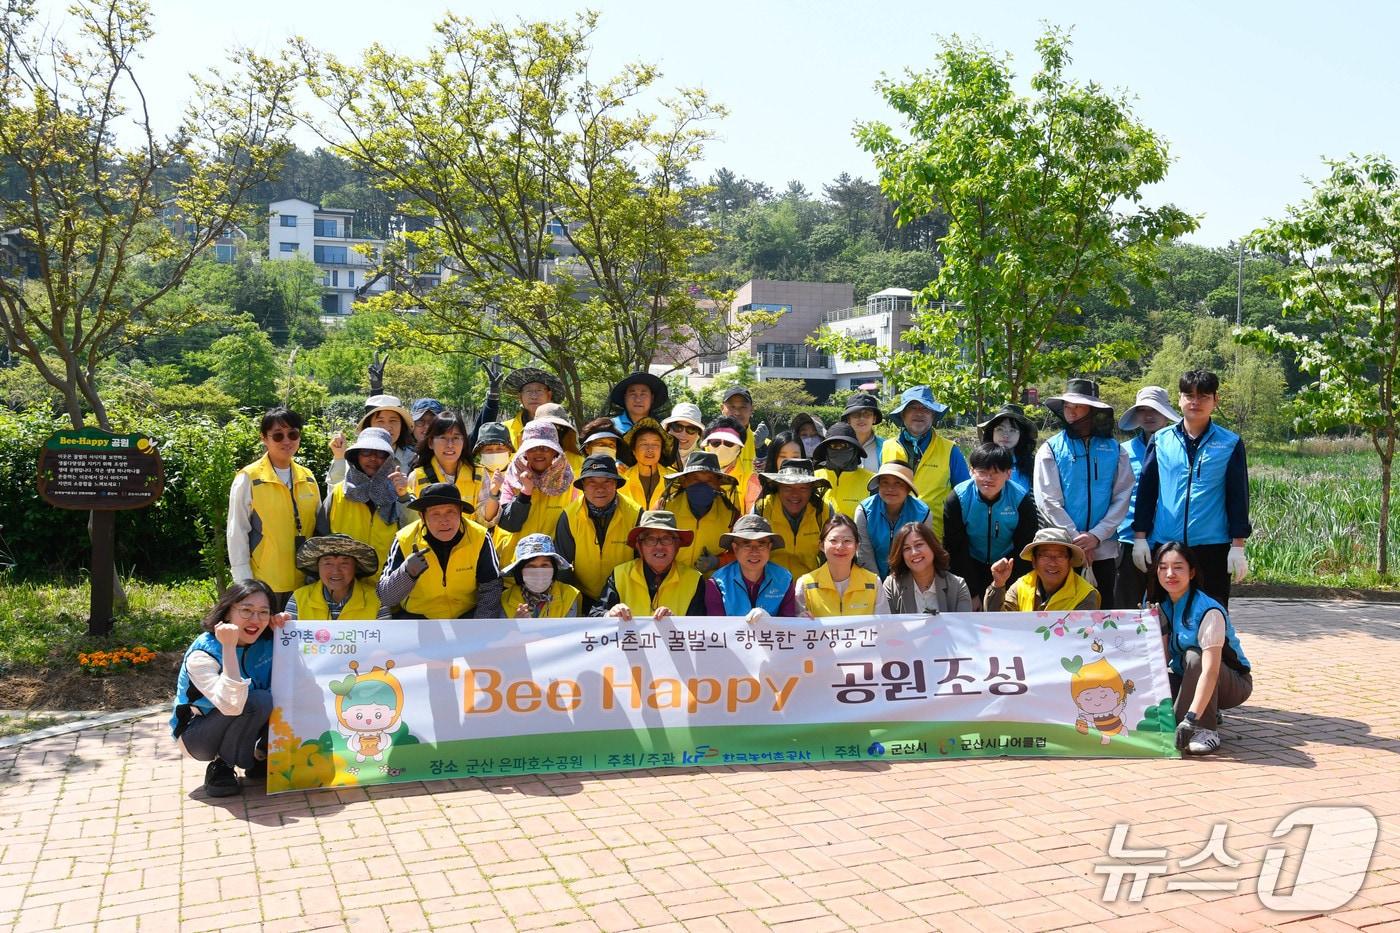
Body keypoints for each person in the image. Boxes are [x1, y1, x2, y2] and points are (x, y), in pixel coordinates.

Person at [1132, 370, 1252, 608]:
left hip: (1212, 546)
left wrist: (1238, 546)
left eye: (1204, 396)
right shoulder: (1161, 440)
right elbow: (1147, 491)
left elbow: (1238, 497)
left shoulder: (1229, 442)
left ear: (1215, 400)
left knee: (1212, 616)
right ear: (1179, 399)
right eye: (1189, 395)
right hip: (1167, 545)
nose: (1195, 402)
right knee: (1161, 618)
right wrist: (1140, 538)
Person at [170, 580, 277, 798]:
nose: (255, 620)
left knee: (271, 697)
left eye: (263, 612)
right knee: (258, 701)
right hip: (200, 736)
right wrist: (229, 646)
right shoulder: (203, 654)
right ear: (227, 612)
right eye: (246, 610)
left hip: (244, 723)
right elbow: (231, 705)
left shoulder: (268, 641)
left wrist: (287, 632)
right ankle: (222, 766)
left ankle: (260, 756)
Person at [1033, 378, 1134, 607]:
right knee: (1061, 614)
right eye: (1067, 406)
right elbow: (1047, 500)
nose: (1071, 412)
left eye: (1077, 406)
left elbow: (1122, 495)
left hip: (1104, 549)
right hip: (1062, 551)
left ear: (1092, 409)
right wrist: (1076, 539)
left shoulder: (1115, 450)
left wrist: (1097, 535)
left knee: (1103, 611)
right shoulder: (1050, 449)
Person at [1149, 541, 1253, 756]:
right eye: (1163, 567)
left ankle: (1206, 730)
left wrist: (1189, 718)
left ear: (1192, 572)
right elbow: (1160, 658)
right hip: (1184, 674)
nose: (1170, 573)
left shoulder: (1209, 610)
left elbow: (1210, 670)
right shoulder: (1162, 605)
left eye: (1178, 567)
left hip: (1230, 683)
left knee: (1194, 656)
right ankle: (1204, 711)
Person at [227, 407, 321, 609]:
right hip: (264, 583)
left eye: (293, 434)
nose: (287, 441)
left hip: (305, 582)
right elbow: (237, 531)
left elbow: (319, 526)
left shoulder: (308, 477)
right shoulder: (248, 477)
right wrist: (244, 581)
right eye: (278, 436)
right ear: (264, 438)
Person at [377, 483, 502, 619]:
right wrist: (407, 572)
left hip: (467, 616)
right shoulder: (404, 539)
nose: (444, 521)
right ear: (422, 516)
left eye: (450, 512)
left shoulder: (480, 537)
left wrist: (479, 629)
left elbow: (491, 589)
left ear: (460, 512)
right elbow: (386, 597)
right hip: (417, 618)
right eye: (435, 513)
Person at [944, 443, 1039, 610]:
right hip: (970, 563)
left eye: (996, 472)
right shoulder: (957, 499)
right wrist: (971, 592)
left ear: (1009, 473)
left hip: (1008, 563)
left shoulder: (1021, 499)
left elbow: (1025, 547)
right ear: (972, 471)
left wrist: (1010, 586)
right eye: (982, 472)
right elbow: (955, 547)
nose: (989, 478)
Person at [1115, 386, 1182, 610]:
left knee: (1164, 605)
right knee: (1126, 604)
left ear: (1166, 413)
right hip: (1128, 538)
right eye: (1143, 410)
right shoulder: (1123, 451)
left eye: (1155, 409)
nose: (1149, 415)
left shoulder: (1179, 448)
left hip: (1167, 538)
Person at [314, 427, 410, 570]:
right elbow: (320, 539)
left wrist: (403, 496)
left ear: (389, 459)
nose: (373, 458)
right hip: (346, 582)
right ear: (356, 456)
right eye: (366, 452)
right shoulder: (339, 492)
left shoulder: (400, 492)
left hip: (386, 584)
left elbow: (412, 533)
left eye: (381, 453)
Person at [555, 454, 640, 614]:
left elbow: (641, 561)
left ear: (615, 484)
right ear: (583, 486)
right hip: (583, 597)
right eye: (592, 481)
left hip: (626, 598)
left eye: (607, 481)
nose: (600, 488)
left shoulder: (635, 514)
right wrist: (572, 603)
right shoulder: (569, 516)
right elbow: (562, 566)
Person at [881, 386, 970, 538]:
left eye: (926, 408)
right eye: (913, 408)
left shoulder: (950, 450)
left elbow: (966, 497)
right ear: (903, 414)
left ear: (933, 415)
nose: (919, 413)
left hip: (935, 538)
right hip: (892, 538)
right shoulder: (886, 447)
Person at [592, 510, 707, 620]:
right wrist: (609, 615)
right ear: (639, 546)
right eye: (650, 539)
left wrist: (675, 623)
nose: (659, 546)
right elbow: (594, 615)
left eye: (666, 539)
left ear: (677, 545)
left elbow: (699, 628)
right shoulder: (620, 574)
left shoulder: (694, 580)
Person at [495, 420, 577, 566]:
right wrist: (525, 493)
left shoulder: (569, 481)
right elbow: (509, 524)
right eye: (532, 448)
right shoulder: (512, 477)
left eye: (545, 448)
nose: (538, 452)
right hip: (512, 564)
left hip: (551, 569)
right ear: (525, 452)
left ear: (554, 452)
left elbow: (575, 528)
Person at [704, 514, 798, 621]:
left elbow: (788, 624)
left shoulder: (784, 579)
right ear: (735, 548)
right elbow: (717, 628)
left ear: (769, 547)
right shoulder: (717, 583)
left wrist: (769, 621)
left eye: (761, 544)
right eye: (746, 544)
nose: (754, 551)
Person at [985, 527, 1101, 611]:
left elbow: (1079, 639)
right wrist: (998, 584)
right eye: (1045, 555)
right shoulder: (1021, 586)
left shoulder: (1086, 595)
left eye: (1060, 555)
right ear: (1034, 561)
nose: (1052, 562)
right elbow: (999, 624)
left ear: (1070, 561)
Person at [661, 450, 741, 573]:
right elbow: (648, 544)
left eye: (709, 481)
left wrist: (718, 561)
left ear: (718, 484)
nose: (702, 486)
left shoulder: (731, 515)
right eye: (695, 479)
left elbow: (743, 552)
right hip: (668, 581)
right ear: (684, 481)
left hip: (711, 586)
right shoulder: (664, 507)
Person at [796, 514, 889, 618]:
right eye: (833, 540)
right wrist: (799, 619)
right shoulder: (805, 584)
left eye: (847, 541)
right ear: (821, 545)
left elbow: (884, 629)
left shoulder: (873, 583)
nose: (840, 547)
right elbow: (794, 628)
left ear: (857, 546)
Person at [753, 459, 832, 580]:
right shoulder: (762, 508)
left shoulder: (824, 511)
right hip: (769, 584)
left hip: (810, 585)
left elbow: (832, 555)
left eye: (803, 488)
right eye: (788, 488)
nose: (795, 494)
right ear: (778, 487)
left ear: (811, 489)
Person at [855, 462, 931, 578]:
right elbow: (864, 552)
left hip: (908, 577)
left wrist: (896, 584)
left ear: (908, 488)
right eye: (885, 482)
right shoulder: (864, 511)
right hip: (869, 578)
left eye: (898, 483)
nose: (890, 488)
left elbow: (920, 554)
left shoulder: (923, 514)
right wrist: (877, 583)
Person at [286, 534, 382, 620]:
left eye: (344, 563)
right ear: (317, 566)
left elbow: (387, 638)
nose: (336, 571)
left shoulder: (377, 600)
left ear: (355, 567)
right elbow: (288, 636)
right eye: (328, 563)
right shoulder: (299, 598)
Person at [882, 523, 973, 613]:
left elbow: (963, 626)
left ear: (932, 546)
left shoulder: (958, 586)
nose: (914, 552)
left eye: (919, 545)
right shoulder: (891, 586)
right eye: (907, 548)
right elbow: (888, 626)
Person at [327, 395, 416, 485]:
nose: (387, 428)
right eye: (380, 421)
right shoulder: (354, 456)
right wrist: (339, 457)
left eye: (393, 421)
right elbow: (336, 492)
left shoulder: (413, 459)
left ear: (402, 425)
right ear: (368, 425)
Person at [500, 533, 581, 618]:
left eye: (545, 565)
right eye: (531, 566)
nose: (539, 572)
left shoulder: (569, 595)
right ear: (520, 571)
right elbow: (500, 630)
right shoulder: (505, 599)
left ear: (554, 568)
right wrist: (514, 625)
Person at [812, 423, 874, 519]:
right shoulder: (813, 478)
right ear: (826, 450)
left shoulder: (871, 481)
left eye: (844, 445)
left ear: (855, 449)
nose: (839, 449)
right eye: (833, 445)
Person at [618, 417, 676, 511]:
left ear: (662, 449)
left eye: (655, 445)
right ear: (633, 450)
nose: (650, 449)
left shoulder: (674, 479)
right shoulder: (621, 480)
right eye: (644, 444)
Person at [978, 403, 1037, 493]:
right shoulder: (980, 461)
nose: (1005, 435)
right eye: (1000, 429)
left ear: (1021, 435)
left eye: (1012, 430)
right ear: (991, 432)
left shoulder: (1032, 465)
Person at [467, 421, 514, 529]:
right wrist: (494, 492)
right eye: (488, 449)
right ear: (480, 453)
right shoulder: (475, 475)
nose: (495, 453)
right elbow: (483, 520)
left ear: (509, 450)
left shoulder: (518, 472)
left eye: (500, 448)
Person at [503, 367, 565, 449]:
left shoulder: (563, 429)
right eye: (528, 391)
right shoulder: (504, 430)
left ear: (549, 395)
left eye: (539, 391)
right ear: (520, 397)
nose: (534, 396)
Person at [743, 430, 801, 513]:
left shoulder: (815, 500)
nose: (789, 461)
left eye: (795, 457)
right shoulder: (762, 501)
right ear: (774, 459)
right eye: (783, 456)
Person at [702, 417, 752, 510]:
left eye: (729, 443)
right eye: (715, 442)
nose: (722, 447)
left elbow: (752, 519)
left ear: (739, 448)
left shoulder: (750, 480)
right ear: (707, 446)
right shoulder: (692, 474)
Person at [533, 402, 585, 476]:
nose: (551, 433)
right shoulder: (524, 461)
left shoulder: (579, 462)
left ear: (565, 431)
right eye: (545, 429)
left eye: (556, 427)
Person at [718, 385, 759, 475]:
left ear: (752, 409)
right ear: (722, 408)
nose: (737, 412)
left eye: (743, 407)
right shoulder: (710, 442)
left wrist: (762, 451)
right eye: (732, 406)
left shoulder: (763, 443)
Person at [841, 392, 886, 470]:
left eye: (867, 414)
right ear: (848, 419)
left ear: (874, 419)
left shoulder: (885, 447)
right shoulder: (839, 447)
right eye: (856, 414)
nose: (861, 418)